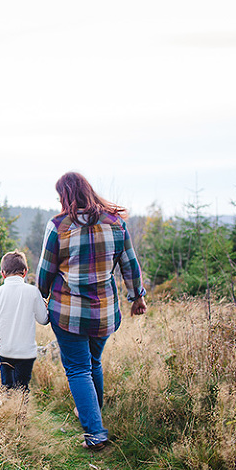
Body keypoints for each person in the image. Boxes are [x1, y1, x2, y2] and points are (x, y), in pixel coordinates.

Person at [37, 172, 147, 451]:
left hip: (68, 313)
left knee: (77, 369)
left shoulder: (58, 226)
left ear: (65, 196)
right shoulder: (116, 223)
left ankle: (95, 432)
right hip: (104, 314)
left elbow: (46, 271)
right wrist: (137, 298)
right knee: (92, 363)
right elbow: (130, 265)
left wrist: (40, 299)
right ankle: (92, 412)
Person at [0, 250, 49, 392]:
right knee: (22, 386)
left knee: (7, 384)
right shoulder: (33, 292)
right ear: (25, 272)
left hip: (4, 349)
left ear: (2, 273)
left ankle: (7, 409)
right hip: (26, 350)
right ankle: (21, 412)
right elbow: (43, 320)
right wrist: (45, 308)